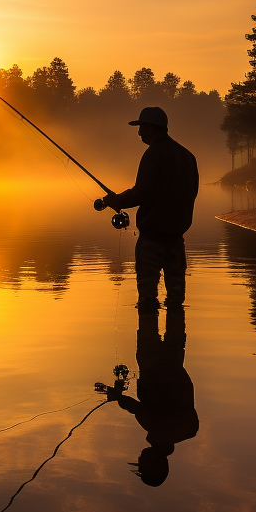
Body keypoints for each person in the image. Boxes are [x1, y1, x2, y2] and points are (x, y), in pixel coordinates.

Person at [95, 105, 198, 311]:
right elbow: (191, 193)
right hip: (177, 240)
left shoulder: (153, 154)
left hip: (152, 240)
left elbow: (141, 193)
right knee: (176, 301)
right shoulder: (187, 156)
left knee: (147, 301)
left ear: (152, 127)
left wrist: (114, 201)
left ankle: (148, 339)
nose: (139, 132)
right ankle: (176, 340)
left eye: (141, 127)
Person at [105, 307, 198, 486]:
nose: (139, 459)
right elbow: (136, 408)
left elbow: (151, 408)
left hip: (175, 360)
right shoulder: (154, 427)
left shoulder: (190, 431)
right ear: (154, 464)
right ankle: (148, 289)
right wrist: (117, 397)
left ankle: (172, 288)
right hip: (152, 362)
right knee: (147, 314)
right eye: (142, 464)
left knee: (175, 312)